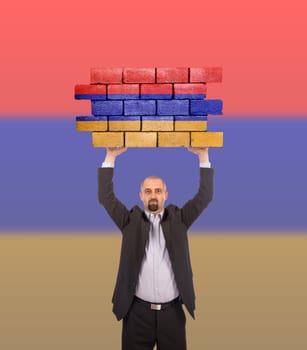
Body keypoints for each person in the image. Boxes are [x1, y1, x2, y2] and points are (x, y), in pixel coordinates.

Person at [98, 147, 214, 350]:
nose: (153, 195)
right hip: (136, 315)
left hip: (173, 315)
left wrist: (203, 156)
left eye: (158, 191)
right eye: (148, 191)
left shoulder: (180, 219)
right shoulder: (129, 221)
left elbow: (204, 197)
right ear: (141, 195)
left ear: (165, 195)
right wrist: (111, 156)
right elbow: (105, 197)